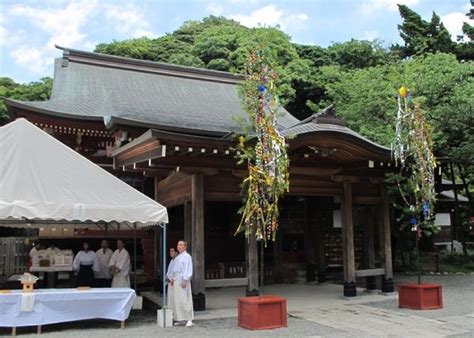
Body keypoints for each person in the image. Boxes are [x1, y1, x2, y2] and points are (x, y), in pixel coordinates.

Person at [169, 240, 194, 327]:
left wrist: (185, 279)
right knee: (177, 300)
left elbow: (188, 269)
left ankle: (189, 318)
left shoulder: (187, 256)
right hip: (176, 279)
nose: (179, 246)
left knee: (185, 299)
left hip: (183, 280)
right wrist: (172, 278)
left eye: (181, 245)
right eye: (178, 244)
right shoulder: (178, 256)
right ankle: (180, 318)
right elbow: (174, 269)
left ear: (185, 247)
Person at [166, 247, 178, 313]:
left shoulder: (178, 260)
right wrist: (168, 277)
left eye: (172, 251)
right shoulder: (172, 261)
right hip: (170, 282)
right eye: (170, 251)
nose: (171, 253)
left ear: (176, 252)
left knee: (174, 299)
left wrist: (172, 279)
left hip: (175, 282)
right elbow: (168, 272)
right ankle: (171, 312)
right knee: (170, 299)